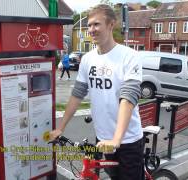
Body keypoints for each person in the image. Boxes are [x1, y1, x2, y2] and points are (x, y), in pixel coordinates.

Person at [49, 4, 144, 180]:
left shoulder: (129, 56)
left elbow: (128, 98)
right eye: (89, 25)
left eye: (96, 24)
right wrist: (60, 128)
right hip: (103, 139)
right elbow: (77, 95)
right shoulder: (88, 59)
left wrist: (116, 139)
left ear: (111, 24)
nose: (91, 29)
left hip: (127, 141)